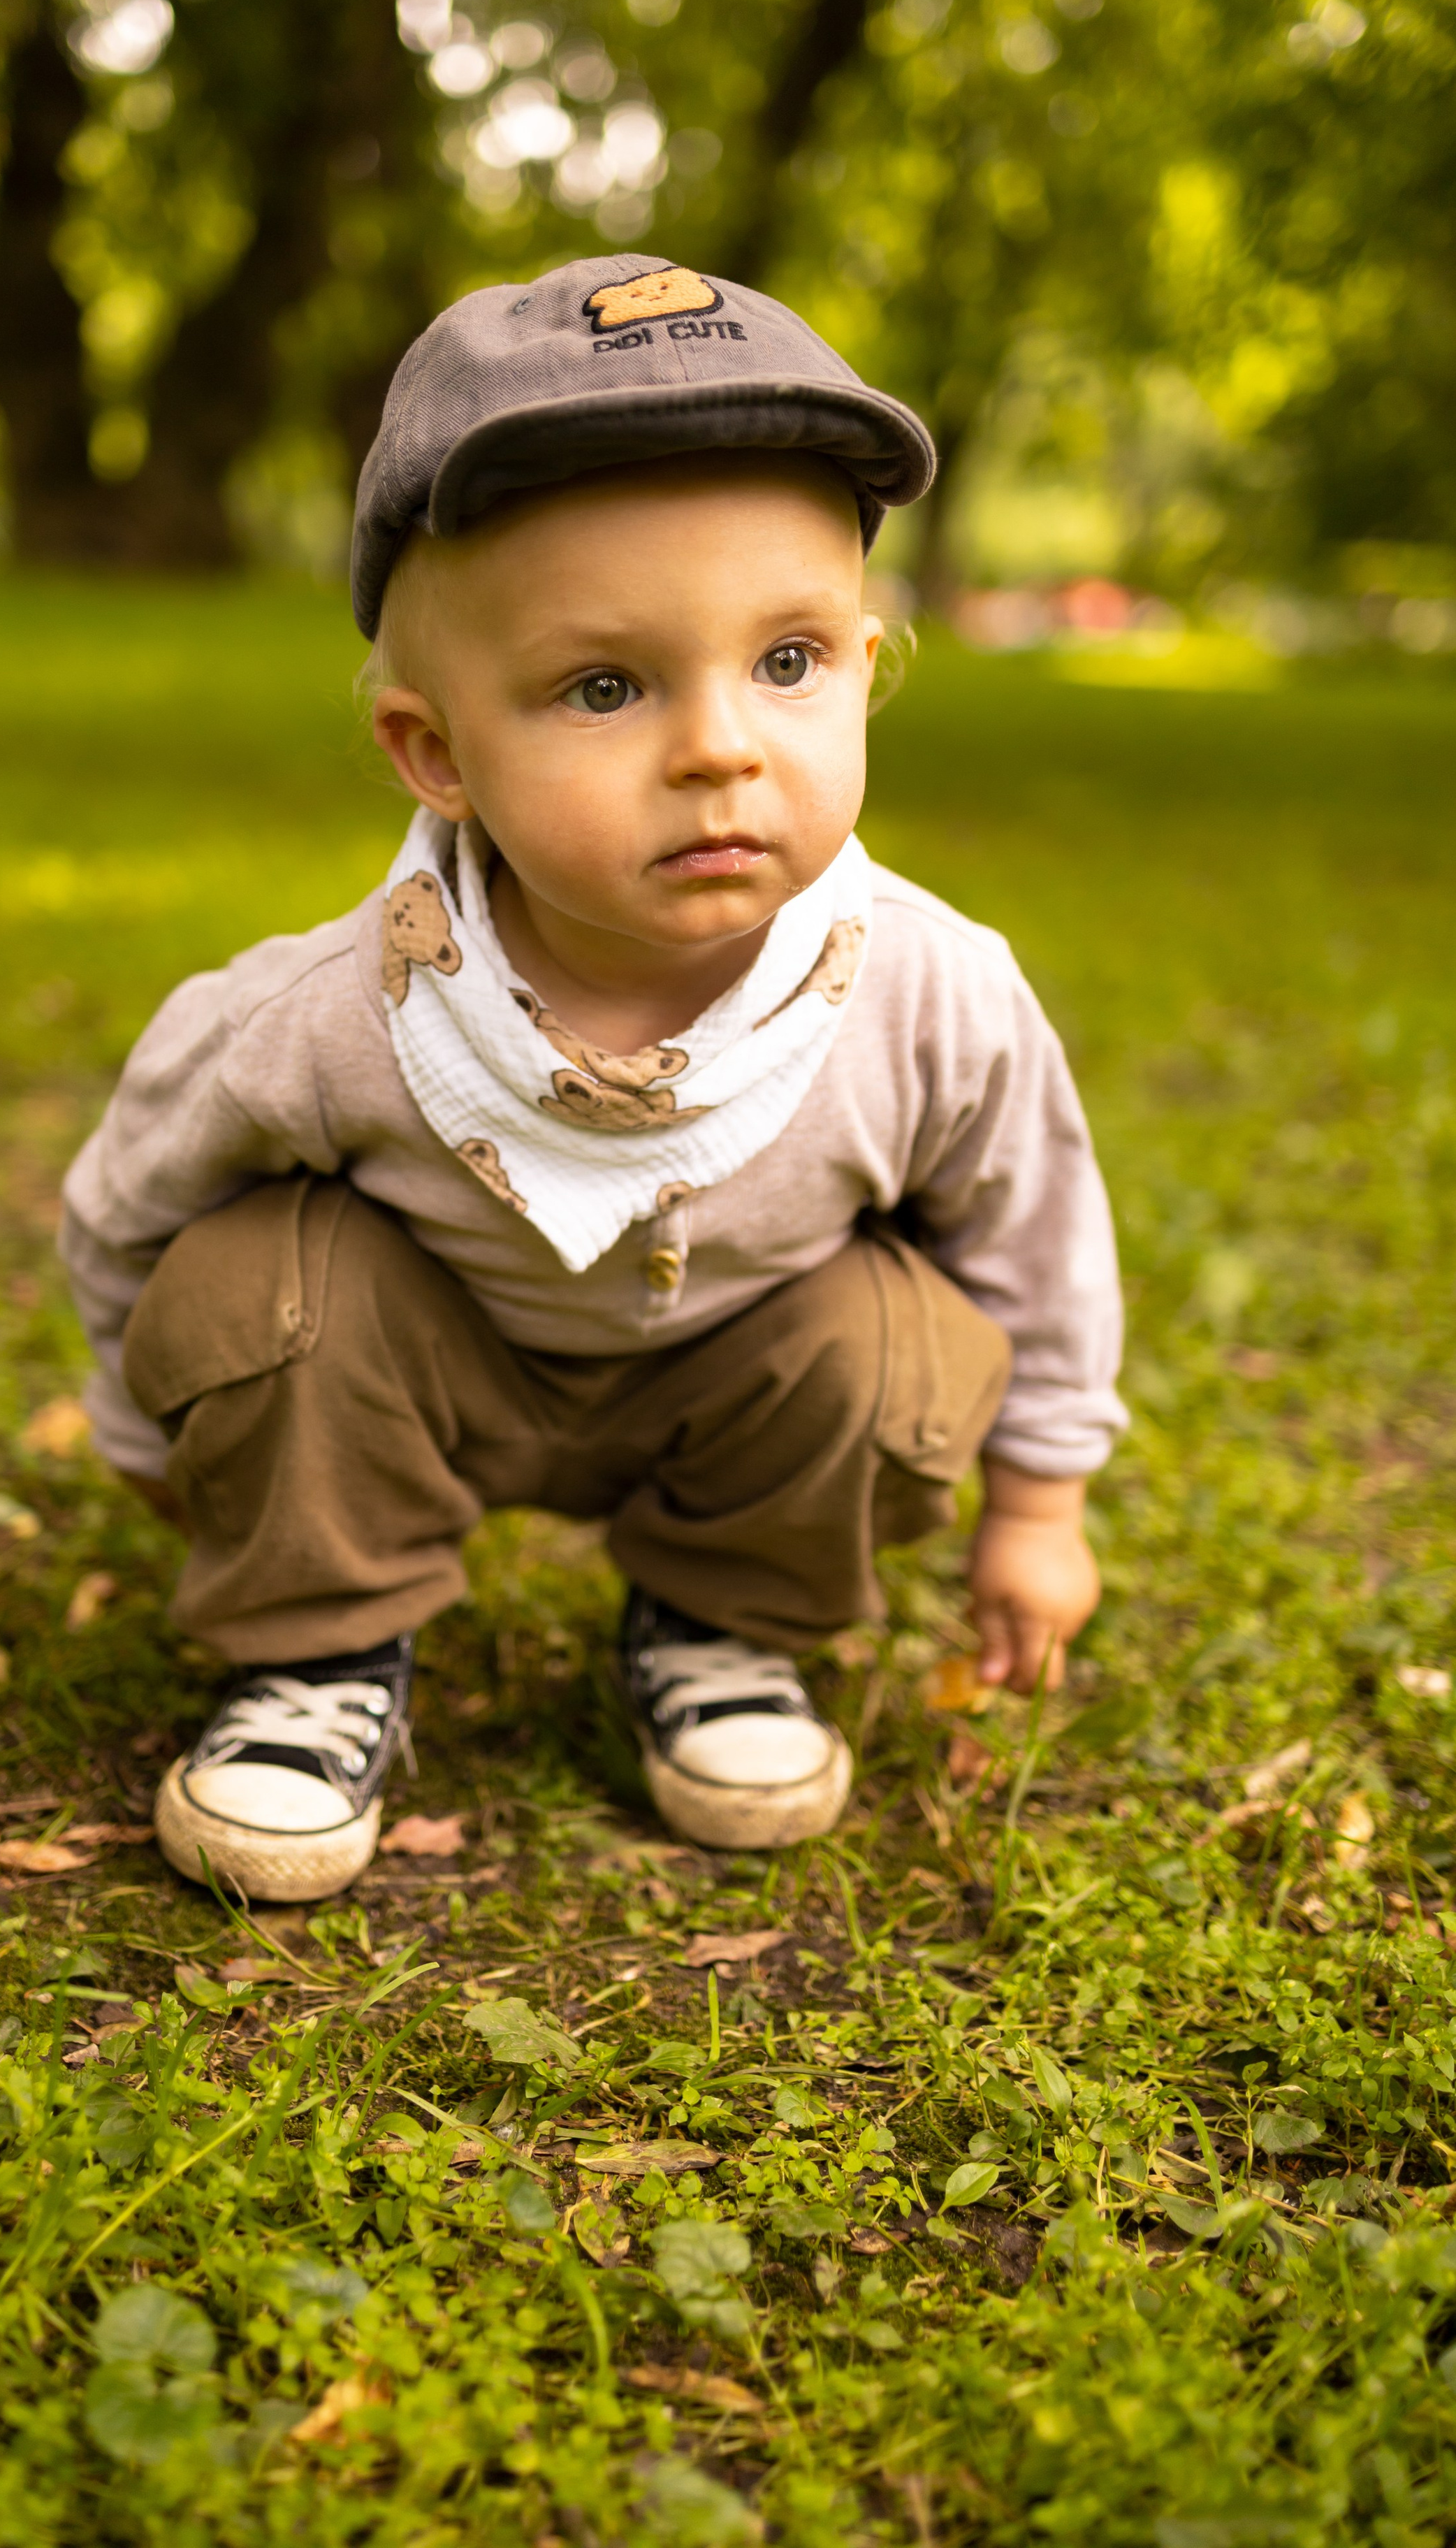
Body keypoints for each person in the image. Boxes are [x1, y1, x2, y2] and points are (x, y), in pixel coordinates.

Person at [60, 254, 1125, 1904]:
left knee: (884, 1324)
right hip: (418, 1364)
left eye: (787, 662)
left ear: (865, 660)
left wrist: (1039, 1507)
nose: (720, 746)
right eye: (604, 687)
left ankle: (721, 1625)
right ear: (438, 753)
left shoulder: (928, 991)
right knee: (258, 1276)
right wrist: (157, 1442)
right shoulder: (328, 1011)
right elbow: (132, 1206)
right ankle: (316, 1653)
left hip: (744, 1379)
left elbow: (1034, 1234)